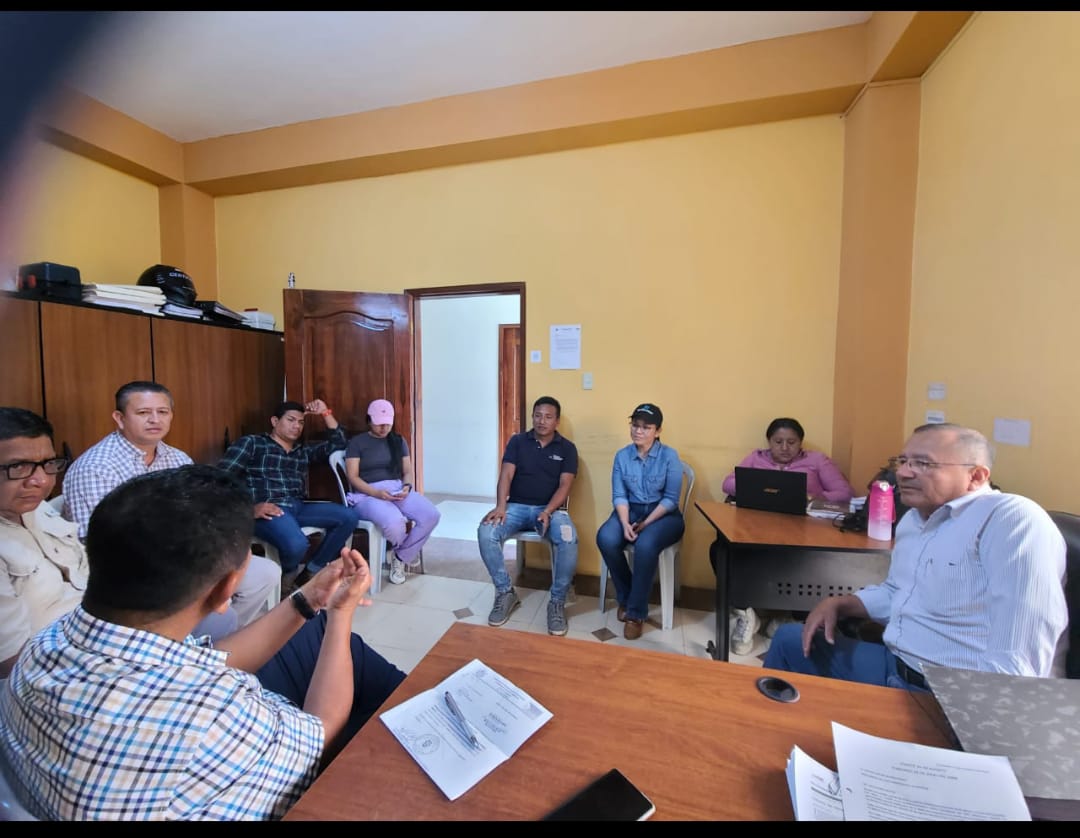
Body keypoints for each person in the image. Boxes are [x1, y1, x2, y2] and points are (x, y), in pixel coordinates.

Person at [0, 463, 406, 820]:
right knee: (383, 729)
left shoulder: (45, 644)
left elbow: (202, 663)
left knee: (313, 636)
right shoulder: (212, 713)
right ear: (227, 589)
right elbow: (322, 731)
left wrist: (309, 601)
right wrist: (340, 614)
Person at [763, 422, 1067, 689]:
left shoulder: (1010, 520)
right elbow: (898, 591)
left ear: (975, 475)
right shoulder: (914, 520)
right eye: (903, 461)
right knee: (790, 640)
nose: (903, 472)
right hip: (895, 664)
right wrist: (842, 603)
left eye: (923, 463)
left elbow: (1018, 660)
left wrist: (972, 719)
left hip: (950, 690)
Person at [61, 381, 278, 634]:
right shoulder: (96, 468)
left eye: (162, 412)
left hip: (183, 556)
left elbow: (200, 514)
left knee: (265, 573)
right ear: (120, 418)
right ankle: (189, 638)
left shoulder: (177, 458)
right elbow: (100, 541)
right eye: (143, 412)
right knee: (221, 614)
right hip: (128, 568)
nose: (155, 419)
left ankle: (214, 643)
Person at [719, 416, 856, 655]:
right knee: (722, 550)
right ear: (769, 442)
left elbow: (845, 493)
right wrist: (761, 487)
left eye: (791, 442)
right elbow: (728, 484)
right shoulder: (756, 458)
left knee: (806, 560)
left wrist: (814, 497)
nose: (784, 448)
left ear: (800, 443)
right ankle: (745, 612)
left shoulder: (816, 460)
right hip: (757, 527)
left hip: (804, 531)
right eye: (778, 442)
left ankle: (793, 617)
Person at [218, 398, 360, 592]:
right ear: (275, 421)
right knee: (297, 544)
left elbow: (340, 444)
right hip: (269, 509)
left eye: (301, 422)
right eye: (291, 420)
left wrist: (325, 412)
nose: (297, 426)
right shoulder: (252, 443)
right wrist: (248, 509)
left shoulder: (302, 452)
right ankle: (288, 579)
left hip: (297, 506)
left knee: (349, 517)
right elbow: (219, 479)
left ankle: (310, 572)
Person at [477, 396, 578, 637]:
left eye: (548, 417)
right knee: (486, 531)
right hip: (516, 507)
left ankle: (557, 602)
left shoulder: (567, 448)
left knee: (568, 538)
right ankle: (505, 592)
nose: (542, 421)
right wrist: (501, 506)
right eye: (538, 415)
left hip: (551, 510)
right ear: (532, 417)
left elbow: (565, 485)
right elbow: (506, 475)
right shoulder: (518, 442)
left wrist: (548, 511)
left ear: (557, 421)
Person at [596, 403, 685, 640]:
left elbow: (671, 499)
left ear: (658, 431)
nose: (638, 431)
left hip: (664, 514)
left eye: (646, 427)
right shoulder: (622, 456)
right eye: (635, 425)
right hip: (631, 510)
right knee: (606, 537)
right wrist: (625, 522)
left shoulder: (669, 456)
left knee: (646, 544)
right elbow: (619, 495)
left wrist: (646, 523)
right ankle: (626, 597)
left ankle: (635, 614)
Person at [343, 398, 440, 586]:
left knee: (431, 515)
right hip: (367, 494)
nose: (383, 428)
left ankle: (400, 557)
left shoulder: (397, 441)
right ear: (369, 420)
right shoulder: (357, 443)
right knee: (395, 523)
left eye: (387, 423)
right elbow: (353, 477)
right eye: (379, 423)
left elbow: (407, 471)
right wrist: (376, 493)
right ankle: (405, 553)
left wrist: (407, 487)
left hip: (396, 489)